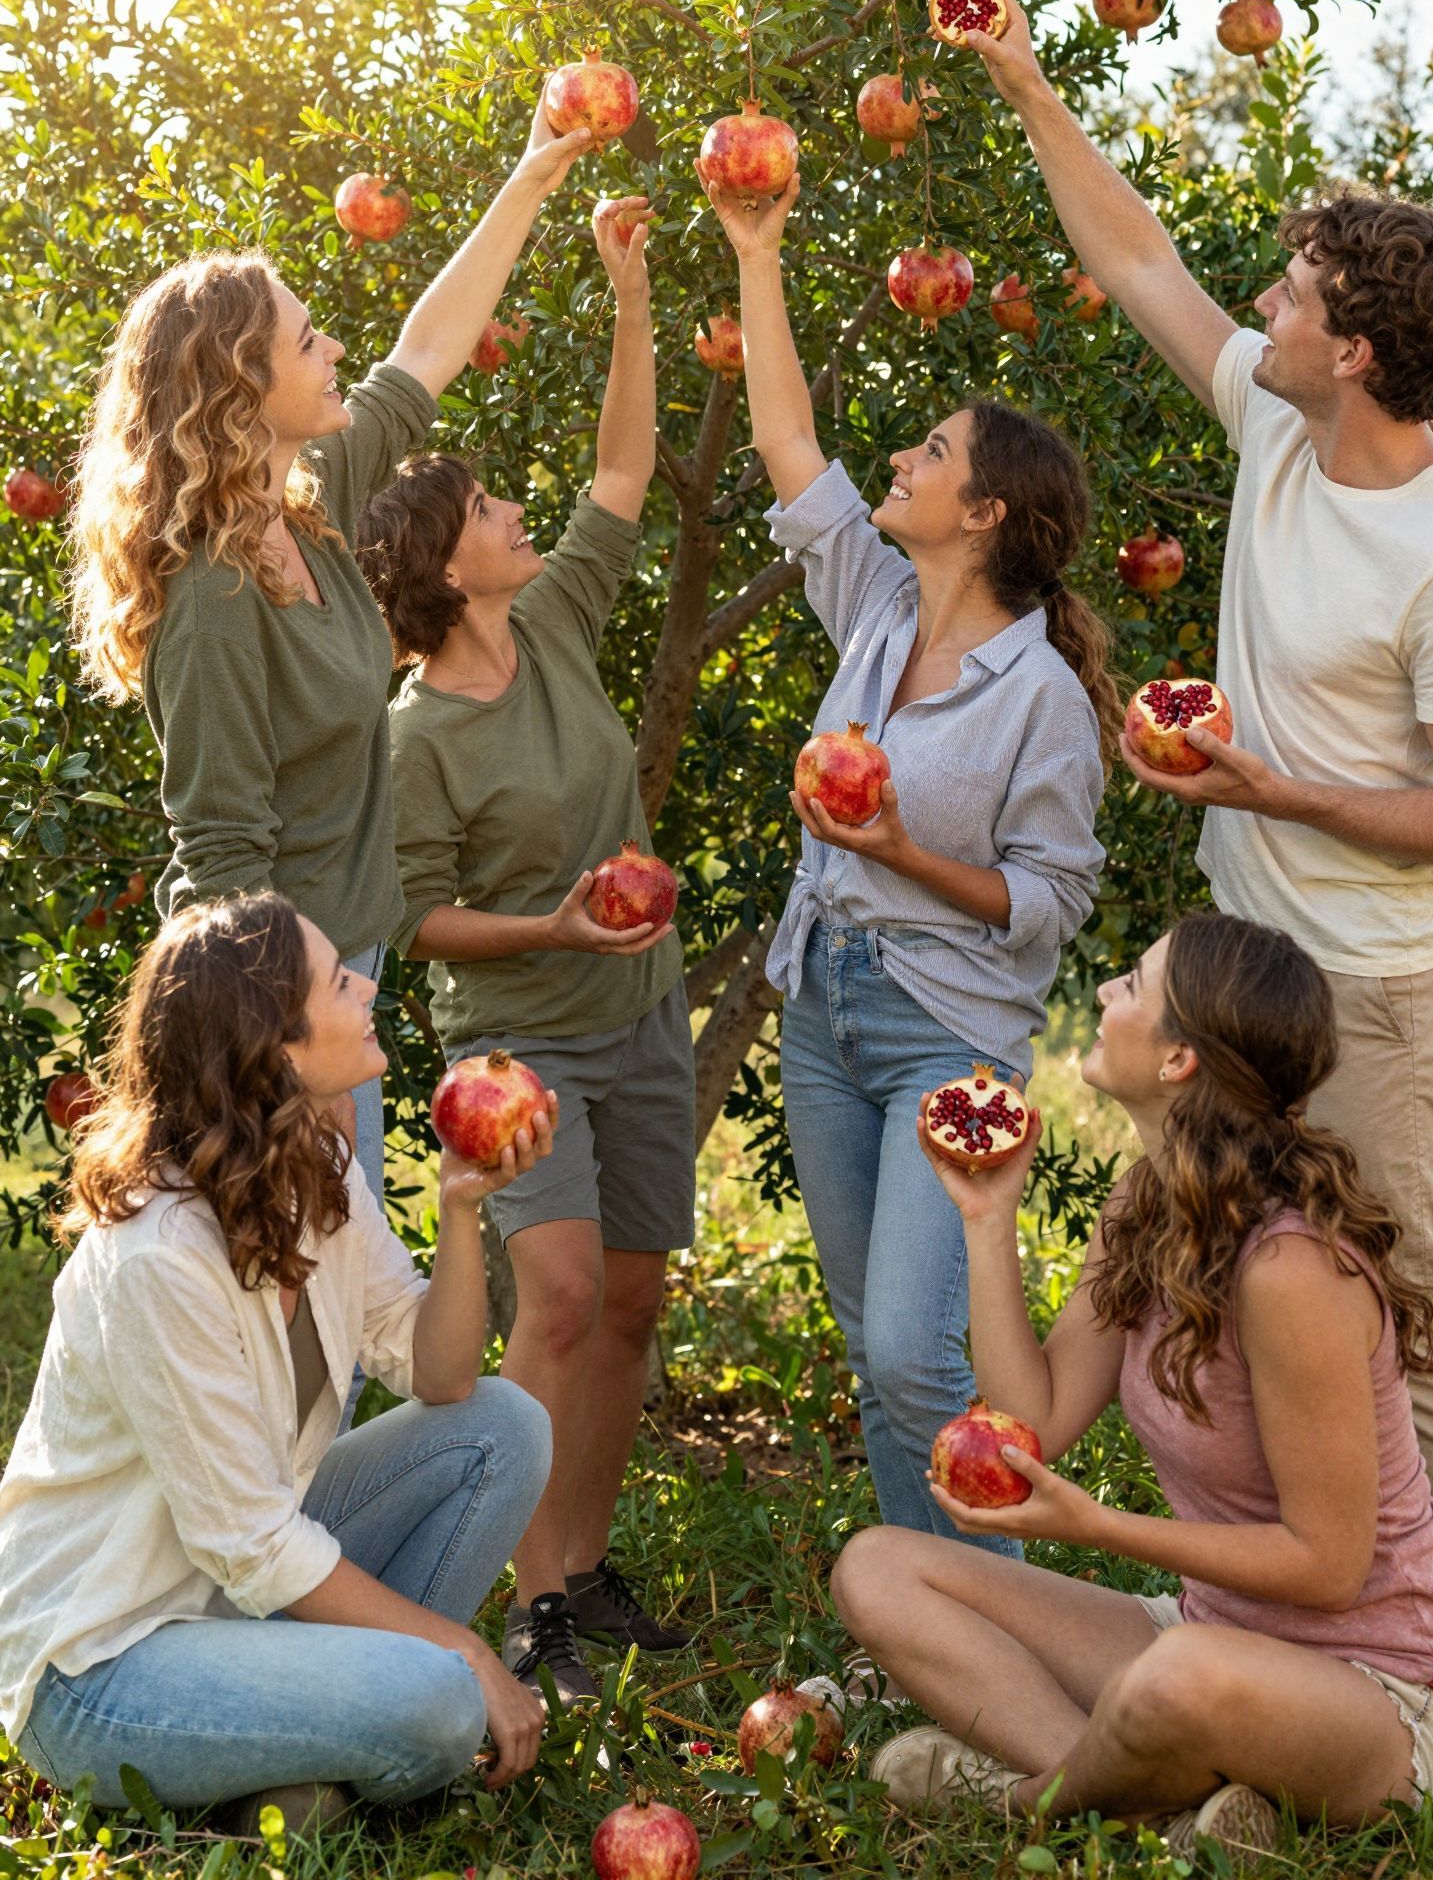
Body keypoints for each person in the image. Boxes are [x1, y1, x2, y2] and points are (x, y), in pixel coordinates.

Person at [962, 0, 1433, 1643]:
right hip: (1238, 977)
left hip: (1367, 995)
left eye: (1290, 295)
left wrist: (1266, 783)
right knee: (1221, 1285)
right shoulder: (1280, 429)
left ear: (1351, 348)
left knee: (1401, 1325)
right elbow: (1136, 257)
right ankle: (1287, 1640)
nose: (1261, 308)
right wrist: (1019, 73)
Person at [832, 912, 1433, 1858]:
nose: (1104, 995)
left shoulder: (1290, 1270)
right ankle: (1162, 1799)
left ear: (1179, 1059)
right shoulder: (1143, 1206)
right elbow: (1034, 1423)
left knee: (1178, 1680)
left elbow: (1329, 1565)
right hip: (1206, 1634)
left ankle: (1029, 1799)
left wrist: (1094, 1526)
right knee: (879, 1567)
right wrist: (987, 1217)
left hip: (1381, 1689)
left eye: (1132, 986)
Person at [68, 88, 594, 1208]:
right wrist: (285, 1063)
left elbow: (425, 350)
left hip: (335, 984)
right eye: (309, 341)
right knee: (303, 1332)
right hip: (275, 1014)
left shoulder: (312, 509)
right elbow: (221, 858)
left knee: (330, 1334)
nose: (336, 349)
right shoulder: (211, 597)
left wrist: (535, 175)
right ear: (243, 389)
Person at [700, 166, 1116, 1559]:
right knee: (870, 1333)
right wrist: (758, 252)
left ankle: (989, 1623)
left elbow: (1050, 903)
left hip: (946, 1032)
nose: (902, 464)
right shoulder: (875, 607)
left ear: (988, 510)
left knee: (911, 1352)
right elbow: (788, 445)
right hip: (822, 1004)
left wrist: (898, 850)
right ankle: (926, 1629)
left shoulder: (1042, 699)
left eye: (933, 454)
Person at [0, 893, 559, 1828]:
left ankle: (307, 1764)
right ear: (280, 1048)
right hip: (101, 1662)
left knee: (505, 1425)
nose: (370, 986)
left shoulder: (314, 1171)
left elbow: (441, 1376)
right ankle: (329, 1751)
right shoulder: (157, 1256)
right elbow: (254, 1544)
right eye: (341, 980)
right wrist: (465, 1654)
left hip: (234, 1598)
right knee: (441, 1700)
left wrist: (463, 1206)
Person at [355, 195, 691, 1707]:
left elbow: (625, 465)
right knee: (551, 1295)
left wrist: (629, 287)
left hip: (640, 1013)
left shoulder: (554, 622)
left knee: (630, 1298)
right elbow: (414, 913)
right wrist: (553, 921)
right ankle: (521, 1590)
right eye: (492, 512)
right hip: (521, 1039)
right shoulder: (411, 734)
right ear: (448, 560)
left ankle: (583, 1566)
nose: (519, 520)